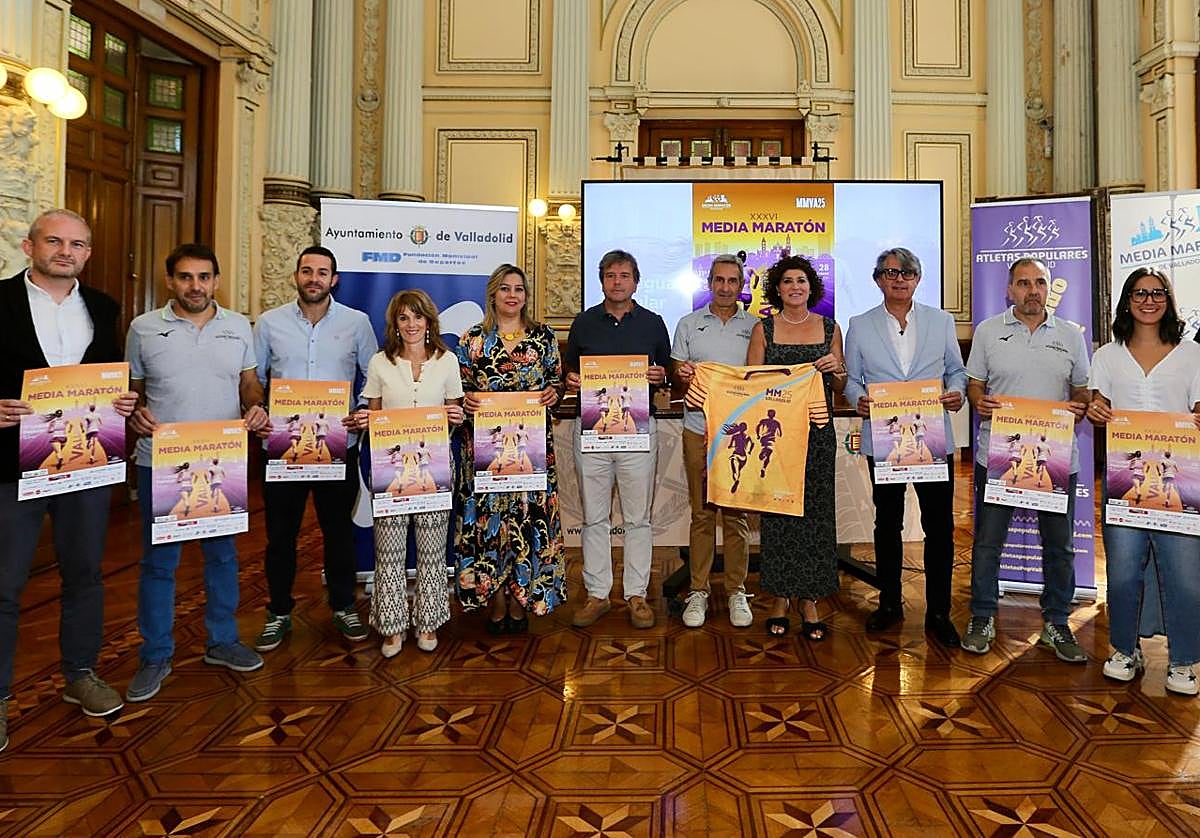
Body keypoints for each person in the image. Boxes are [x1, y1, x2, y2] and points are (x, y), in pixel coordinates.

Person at [0, 209, 138, 751]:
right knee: (5, 585)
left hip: (86, 465)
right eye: (55, 241)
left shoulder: (102, 308)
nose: (66, 251)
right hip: (11, 466)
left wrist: (124, 400)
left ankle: (80, 673)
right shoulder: (0, 302)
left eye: (77, 244)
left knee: (84, 574)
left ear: (87, 253)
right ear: (29, 244)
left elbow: (110, 376)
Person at [125, 242, 270, 701]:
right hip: (162, 460)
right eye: (185, 277)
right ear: (171, 281)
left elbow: (248, 383)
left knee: (223, 557)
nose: (195, 286)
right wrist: (135, 414)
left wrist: (257, 407)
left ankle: (222, 641)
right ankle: (155, 654)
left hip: (222, 459)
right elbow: (133, 391)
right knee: (159, 563)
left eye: (204, 277)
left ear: (216, 281)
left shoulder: (237, 327)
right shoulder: (143, 328)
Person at [961, 257, 1090, 661]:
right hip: (998, 456)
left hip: (1054, 460)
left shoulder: (1070, 335)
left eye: (1039, 283)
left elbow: (1083, 391)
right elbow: (974, 386)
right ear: (1009, 290)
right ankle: (982, 615)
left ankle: (1056, 622)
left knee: (1059, 547)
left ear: (1048, 288)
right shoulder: (987, 332)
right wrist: (980, 402)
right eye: (1023, 283)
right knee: (987, 544)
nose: (1032, 290)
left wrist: (1079, 406)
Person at [251, 245, 378, 652]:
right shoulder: (269, 323)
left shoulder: (357, 323)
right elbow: (253, 378)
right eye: (307, 271)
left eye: (322, 272)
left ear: (334, 279)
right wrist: (257, 411)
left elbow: (372, 377)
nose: (314, 279)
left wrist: (362, 412)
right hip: (284, 447)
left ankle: (343, 605)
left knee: (338, 532)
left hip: (339, 445)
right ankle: (278, 612)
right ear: (296, 275)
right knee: (280, 536)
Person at [843, 247, 966, 647]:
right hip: (885, 440)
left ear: (918, 278)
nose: (899, 278)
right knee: (887, 524)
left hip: (931, 439)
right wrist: (857, 397)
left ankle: (939, 612)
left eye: (907, 272)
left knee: (939, 528)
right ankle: (890, 603)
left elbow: (956, 371)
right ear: (878, 279)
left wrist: (956, 393)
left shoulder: (941, 320)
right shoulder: (859, 325)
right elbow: (851, 378)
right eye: (890, 272)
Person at [1087, 267, 1200, 696]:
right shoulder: (1107, 356)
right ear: (1127, 300)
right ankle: (1123, 648)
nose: (1148, 300)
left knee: (1185, 573)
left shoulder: (1191, 354)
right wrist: (1096, 411)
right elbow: (1099, 404)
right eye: (1139, 293)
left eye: (1156, 293)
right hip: (1124, 481)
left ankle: (1185, 659)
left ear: (1168, 300)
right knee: (1121, 572)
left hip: (1181, 481)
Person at [353, 289, 464, 656]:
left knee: (433, 550)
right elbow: (373, 416)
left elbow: (455, 412)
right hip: (391, 470)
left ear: (429, 321)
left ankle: (428, 622)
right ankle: (391, 627)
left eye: (417, 317)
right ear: (395, 324)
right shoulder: (379, 363)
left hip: (434, 467)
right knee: (389, 550)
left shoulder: (447, 361)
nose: (411, 324)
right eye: (404, 318)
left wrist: (457, 416)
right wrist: (364, 420)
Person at [565, 250, 671, 629]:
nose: (617, 281)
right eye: (611, 275)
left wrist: (661, 376)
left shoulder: (654, 323)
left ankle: (636, 595)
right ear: (602, 281)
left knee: (638, 517)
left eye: (624, 275)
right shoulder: (584, 323)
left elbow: (668, 372)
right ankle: (597, 594)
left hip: (638, 433)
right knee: (594, 517)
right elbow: (569, 373)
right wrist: (571, 381)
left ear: (636, 281)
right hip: (592, 432)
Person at [455, 264, 565, 632]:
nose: (513, 295)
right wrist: (466, 399)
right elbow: (458, 390)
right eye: (505, 288)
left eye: (519, 289)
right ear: (493, 294)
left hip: (531, 452)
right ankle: (496, 599)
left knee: (526, 518)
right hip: (487, 453)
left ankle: (524, 598)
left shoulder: (543, 337)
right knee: (491, 524)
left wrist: (555, 393)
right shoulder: (472, 340)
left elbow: (556, 383)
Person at [747, 255, 846, 641]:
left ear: (811, 287)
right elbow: (752, 386)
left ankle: (811, 599)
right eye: (787, 281)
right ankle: (780, 597)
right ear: (778, 288)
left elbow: (840, 385)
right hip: (776, 437)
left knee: (817, 514)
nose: (795, 287)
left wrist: (836, 370)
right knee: (780, 513)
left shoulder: (829, 328)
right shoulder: (763, 330)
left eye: (801, 281)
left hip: (818, 435)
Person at [671, 255, 756, 628]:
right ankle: (698, 590)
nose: (725, 287)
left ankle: (737, 589)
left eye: (732, 281)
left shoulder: (755, 327)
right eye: (718, 280)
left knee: (737, 515)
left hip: (740, 435)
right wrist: (683, 375)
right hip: (697, 430)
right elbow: (675, 382)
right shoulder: (689, 324)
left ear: (741, 286)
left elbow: (762, 380)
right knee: (702, 515)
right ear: (709, 283)